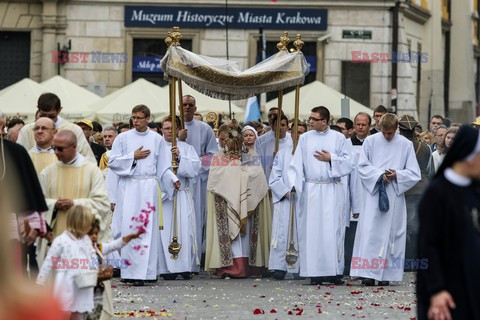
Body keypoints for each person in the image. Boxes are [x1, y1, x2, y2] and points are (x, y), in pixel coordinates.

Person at [109, 105, 179, 286]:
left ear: (148, 118)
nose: (135, 121)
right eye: (133, 117)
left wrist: (172, 179)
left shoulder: (157, 139)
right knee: (129, 228)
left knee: (147, 230)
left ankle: (147, 272)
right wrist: (133, 156)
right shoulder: (123, 138)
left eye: (139, 117)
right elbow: (113, 162)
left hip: (148, 187)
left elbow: (163, 166)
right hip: (130, 185)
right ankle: (129, 271)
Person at [417, 125, 480, 320]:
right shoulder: (437, 193)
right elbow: (427, 246)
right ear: (470, 156)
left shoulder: (474, 192)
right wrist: (436, 290)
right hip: (446, 289)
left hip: (473, 283)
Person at [350, 113, 421, 286]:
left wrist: (398, 174)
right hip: (374, 194)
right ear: (379, 128)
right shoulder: (371, 141)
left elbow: (414, 172)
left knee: (392, 235)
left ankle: (386, 274)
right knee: (369, 232)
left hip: (394, 195)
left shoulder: (405, 144)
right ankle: (367, 273)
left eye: (390, 133)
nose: (387, 136)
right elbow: (362, 166)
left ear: (397, 129)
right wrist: (378, 175)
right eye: (384, 132)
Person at [288, 106, 354, 285]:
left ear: (324, 121)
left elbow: (350, 163)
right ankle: (314, 271)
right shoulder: (305, 139)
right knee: (312, 231)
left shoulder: (339, 138)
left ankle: (334, 271)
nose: (309, 121)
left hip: (331, 189)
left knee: (332, 231)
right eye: (310, 118)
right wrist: (295, 184)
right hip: (311, 190)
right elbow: (296, 164)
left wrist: (331, 158)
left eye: (313, 119)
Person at [205, 121, 271, 278]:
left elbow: (257, 178)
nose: (224, 143)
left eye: (225, 139)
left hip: (248, 204)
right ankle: (230, 266)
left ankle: (250, 266)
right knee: (229, 233)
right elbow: (215, 181)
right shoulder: (218, 157)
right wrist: (235, 175)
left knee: (247, 236)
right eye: (221, 140)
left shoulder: (251, 155)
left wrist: (240, 175)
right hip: (226, 203)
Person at [37, 130, 110, 267]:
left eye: (60, 149)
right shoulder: (48, 172)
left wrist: (74, 203)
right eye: (54, 148)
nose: (56, 152)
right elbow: (38, 202)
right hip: (56, 236)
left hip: (85, 237)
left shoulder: (92, 171)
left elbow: (102, 204)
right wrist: (54, 204)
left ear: (74, 147)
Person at [158, 115, 200, 280]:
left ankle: (184, 267)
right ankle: (166, 268)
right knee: (164, 230)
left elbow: (194, 168)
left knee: (184, 229)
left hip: (182, 194)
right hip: (164, 197)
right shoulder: (158, 147)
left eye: (172, 128)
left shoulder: (186, 148)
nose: (169, 131)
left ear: (178, 129)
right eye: (166, 128)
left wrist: (181, 157)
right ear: (161, 129)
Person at [36, 205, 96, 319]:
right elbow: (49, 261)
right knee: (63, 311)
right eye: (88, 224)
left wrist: (94, 268)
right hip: (66, 282)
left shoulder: (86, 240)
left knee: (79, 311)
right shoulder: (61, 240)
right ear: (80, 224)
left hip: (83, 282)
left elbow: (92, 254)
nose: (90, 227)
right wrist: (40, 281)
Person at [180, 95, 218, 271]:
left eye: (190, 105)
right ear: (179, 107)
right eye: (184, 105)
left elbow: (212, 154)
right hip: (178, 180)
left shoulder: (205, 129)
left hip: (198, 180)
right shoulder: (173, 127)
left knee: (196, 217)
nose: (187, 107)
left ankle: (195, 259)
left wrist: (194, 167)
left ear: (195, 108)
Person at [17, 93, 96, 163]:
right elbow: (19, 160)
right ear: (38, 110)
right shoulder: (27, 130)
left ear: (59, 110)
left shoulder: (73, 130)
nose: (47, 120)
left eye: (51, 116)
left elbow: (88, 161)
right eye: (43, 115)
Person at [88, 218, 142, 320]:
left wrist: (128, 238)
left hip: (97, 290)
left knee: (97, 313)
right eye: (91, 234)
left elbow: (113, 246)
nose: (94, 237)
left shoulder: (98, 247)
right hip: (84, 291)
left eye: (96, 234)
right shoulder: (79, 250)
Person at [398, 115, 434, 261]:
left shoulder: (398, 146)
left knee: (403, 227)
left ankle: (405, 259)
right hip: (421, 189)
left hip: (403, 189)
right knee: (416, 226)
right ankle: (416, 258)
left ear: (400, 129)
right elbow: (429, 169)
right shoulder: (425, 147)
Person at [268, 127, 299, 280]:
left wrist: (300, 192)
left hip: (301, 201)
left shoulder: (309, 154)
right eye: (295, 132)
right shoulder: (282, 153)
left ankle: (299, 266)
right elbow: (274, 177)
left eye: (301, 132)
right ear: (290, 133)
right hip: (285, 200)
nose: (297, 135)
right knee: (281, 233)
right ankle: (279, 266)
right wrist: (285, 192)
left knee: (300, 233)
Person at [343, 112, 371, 275]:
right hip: (350, 187)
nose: (360, 127)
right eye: (357, 124)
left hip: (368, 189)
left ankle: (364, 266)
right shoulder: (346, 143)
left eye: (364, 124)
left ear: (369, 126)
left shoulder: (374, 143)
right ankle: (348, 265)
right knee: (351, 231)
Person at [256, 114, 292, 181]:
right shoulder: (263, 146)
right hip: (269, 182)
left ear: (287, 127)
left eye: (283, 125)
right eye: (277, 125)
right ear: (273, 127)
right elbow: (260, 168)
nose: (280, 127)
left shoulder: (293, 143)